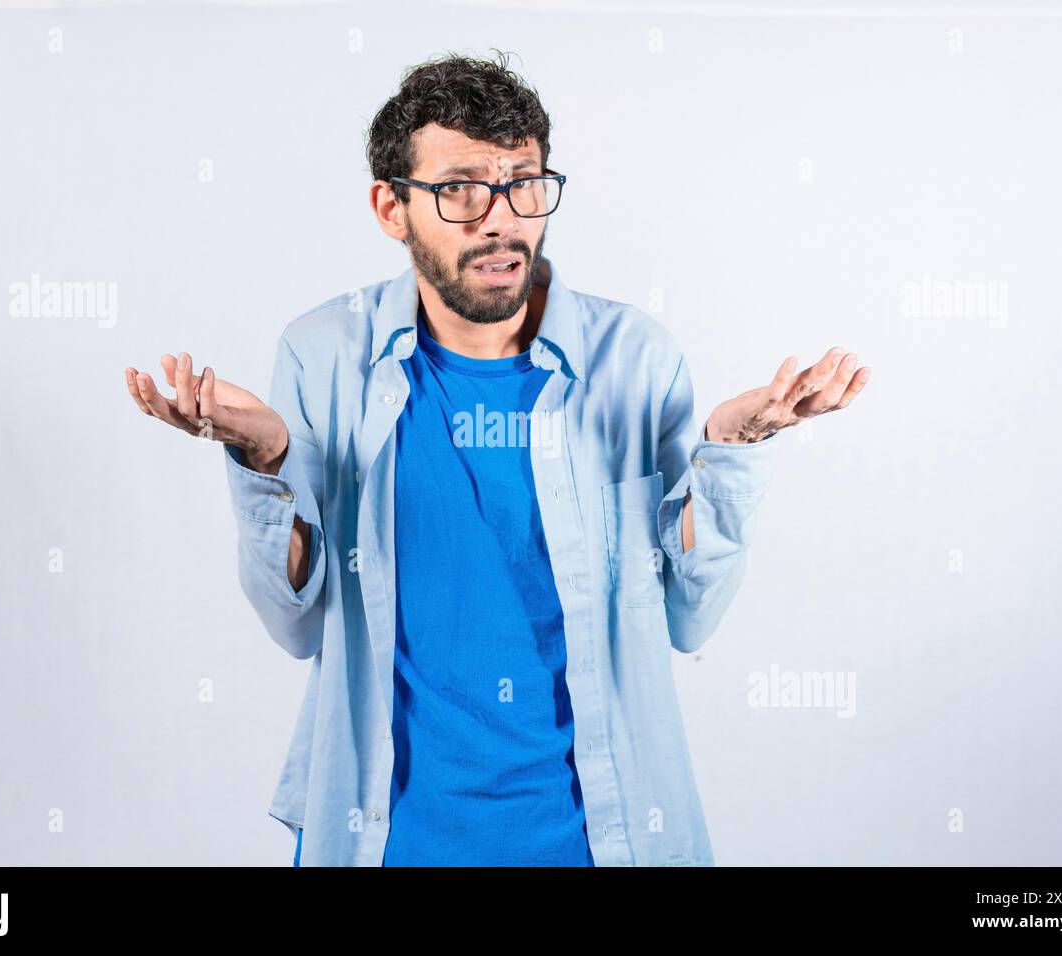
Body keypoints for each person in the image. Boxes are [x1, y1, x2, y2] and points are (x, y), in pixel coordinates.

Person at [124, 52, 870, 867]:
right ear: (391, 207)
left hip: (595, 837)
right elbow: (295, 624)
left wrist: (731, 451)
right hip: (385, 834)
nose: (501, 218)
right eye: (462, 189)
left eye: (523, 182)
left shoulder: (633, 359)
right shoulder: (323, 355)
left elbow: (689, 618)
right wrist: (263, 459)